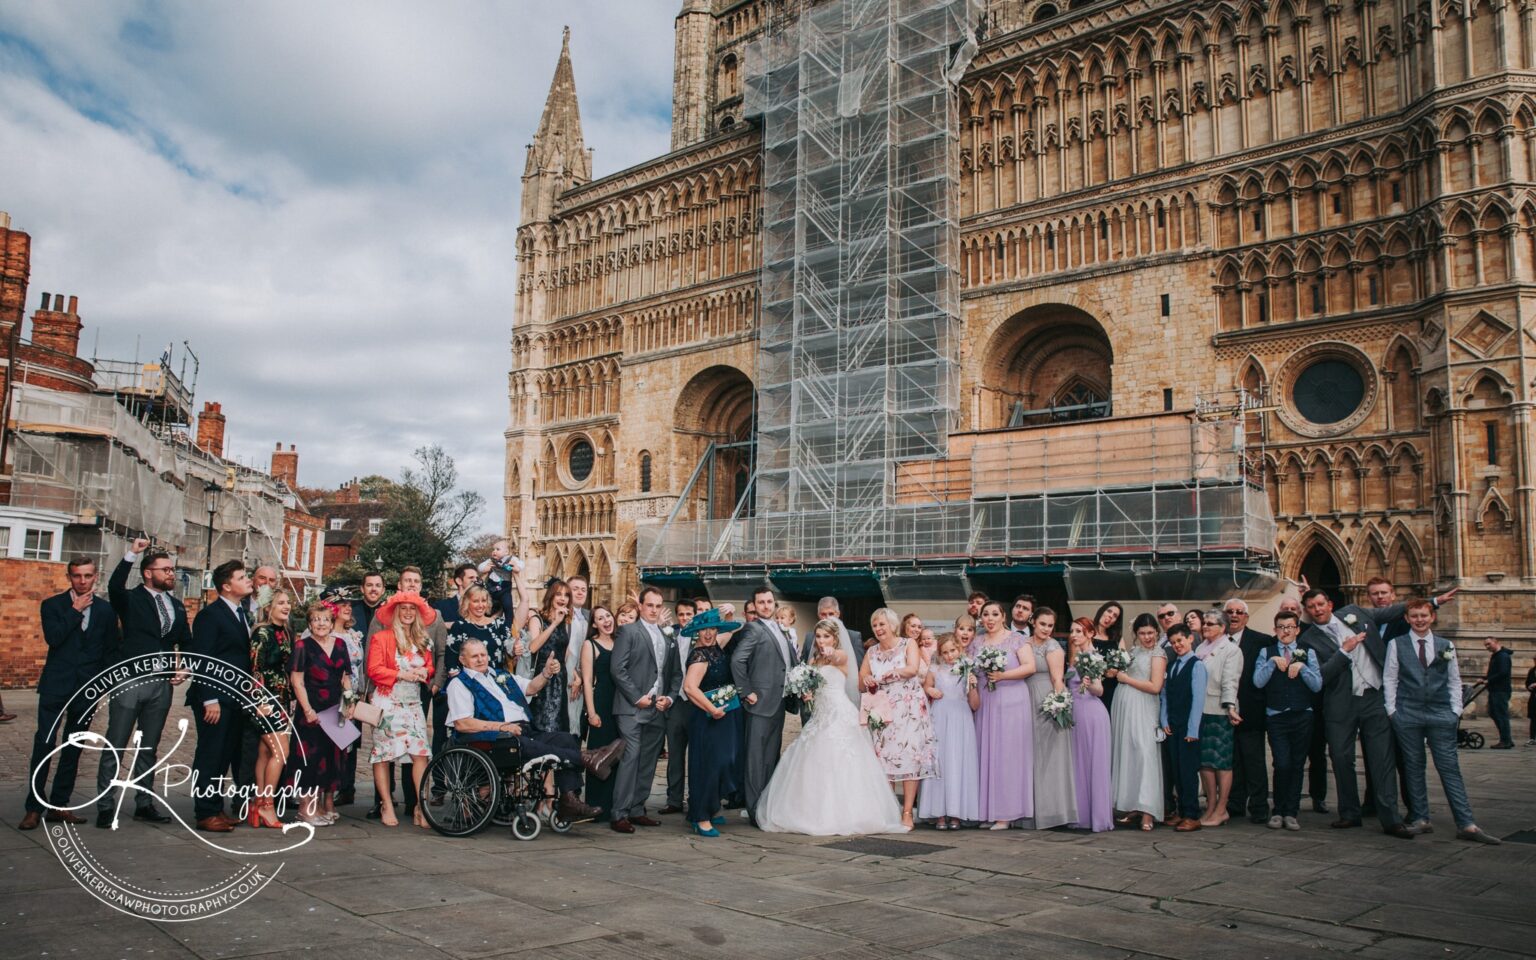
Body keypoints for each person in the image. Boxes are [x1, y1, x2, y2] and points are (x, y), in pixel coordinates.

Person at [758, 618, 907, 835]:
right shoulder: (814, 661)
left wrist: (830, 653)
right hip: (820, 715)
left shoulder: (841, 656)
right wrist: (806, 691)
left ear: (835, 637)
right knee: (813, 762)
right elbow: (811, 684)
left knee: (841, 761)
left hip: (839, 714)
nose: (821, 641)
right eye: (818, 636)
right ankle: (810, 812)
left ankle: (849, 815)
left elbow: (835, 656)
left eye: (826, 636)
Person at [445, 639, 609, 823]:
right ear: (462, 659)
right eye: (474, 656)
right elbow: (462, 723)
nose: (481, 659)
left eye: (483, 654)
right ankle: (586, 758)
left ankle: (569, 802)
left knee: (565, 739)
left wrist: (546, 673)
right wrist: (501, 726)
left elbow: (531, 688)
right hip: (493, 737)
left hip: (523, 729)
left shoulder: (500, 675)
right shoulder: (459, 684)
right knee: (524, 744)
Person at [1385, 600, 1500, 844]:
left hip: (1440, 714)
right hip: (1408, 714)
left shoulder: (1445, 645)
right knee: (1413, 767)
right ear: (1407, 618)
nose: (1419, 620)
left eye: (1423, 615)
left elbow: (1454, 680)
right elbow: (1391, 679)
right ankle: (1420, 818)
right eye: (1414, 616)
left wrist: (1455, 711)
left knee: (1449, 768)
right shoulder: (1397, 644)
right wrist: (1393, 712)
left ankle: (1466, 824)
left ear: (1432, 617)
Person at [1298, 588, 1410, 837]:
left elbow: (1389, 612)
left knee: (1382, 759)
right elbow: (1320, 678)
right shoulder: (1307, 641)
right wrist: (1343, 651)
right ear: (1307, 611)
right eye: (1311, 607)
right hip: (1340, 704)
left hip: (1374, 696)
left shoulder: (1354, 613)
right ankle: (1349, 813)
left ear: (1330, 603)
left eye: (1320, 604)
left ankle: (1391, 818)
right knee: (1340, 757)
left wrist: (1432, 600)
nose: (1317, 610)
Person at [97, 539, 189, 828]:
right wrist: (132, 554)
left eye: (172, 570)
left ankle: (143, 803)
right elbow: (114, 587)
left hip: (162, 684)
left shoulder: (175, 605)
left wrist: (184, 667)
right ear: (148, 573)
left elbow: (185, 641)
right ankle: (105, 804)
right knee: (117, 743)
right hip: (130, 680)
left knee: (149, 746)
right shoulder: (131, 599)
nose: (171, 574)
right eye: (165, 570)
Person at [23, 557, 117, 830]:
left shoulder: (105, 611)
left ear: (95, 576)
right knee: (44, 744)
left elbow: (109, 651)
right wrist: (75, 610)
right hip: (56, 685)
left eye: (87, 576)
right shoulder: (52, 605)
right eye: (77, 576)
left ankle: (59, 805)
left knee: (73, 748)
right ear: (69, 577)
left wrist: (102, 684)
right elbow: (54, 638)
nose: (82, 581)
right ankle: (33, 807)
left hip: (87, 689)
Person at [187, 559, 256, 833]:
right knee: (210, 754)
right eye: (242, 577)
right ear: (227, 586)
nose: (248, 580)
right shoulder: (210, 615)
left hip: (234, 697)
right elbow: (201, 659)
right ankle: (204, 812)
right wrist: (209, 699)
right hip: (215, 698)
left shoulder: (239, 612)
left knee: (225, 755)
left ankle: (216, 807)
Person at [609, 586, 682, 833]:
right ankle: (619, 813)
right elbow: (618, 669)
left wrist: (670, 699)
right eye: (649, 605)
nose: (653, 610)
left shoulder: (668, 637)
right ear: (640, 606)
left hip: (658, 709)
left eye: (658, 605)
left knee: (649, 762)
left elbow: (675, 675)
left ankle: (638, 809)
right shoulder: (628, 631)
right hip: (631, 708)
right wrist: (636, 697)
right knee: (631, 758)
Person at [860, 608, 938, 830]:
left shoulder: (907, 644)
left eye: (882, 624)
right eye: (875, 625)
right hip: (883, 710)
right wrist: (867, 678)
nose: (878, 628)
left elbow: (913, 669)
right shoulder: (871, 651)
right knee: (885, 759)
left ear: (893, 625)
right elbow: (860, 682)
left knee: (909, 757)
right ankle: (888, 810)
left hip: (908, 706)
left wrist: (890, 674)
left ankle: (907, 813)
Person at [729, 586, 799, 826]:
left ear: (774, 604)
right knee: (755, 759)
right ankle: (754, 810)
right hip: (759, 704)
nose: (766, 606)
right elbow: (737, 660)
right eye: (761, 602)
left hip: (778, 702)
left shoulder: (780, 628)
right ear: (755, 606)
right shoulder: (753, 629)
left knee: (770, 757)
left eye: (770, 602)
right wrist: (747, 691)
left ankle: (767, 805)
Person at [367, 592, 435, 829]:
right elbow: (373, 669)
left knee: (420, 754)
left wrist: (426, 672)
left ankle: (420, 805)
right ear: (395, 612)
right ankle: (386, 803)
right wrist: (400, 674)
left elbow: (429, 664)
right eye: (403, 608)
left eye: (412, 609)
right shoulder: (381, 637)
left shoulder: (422, 639)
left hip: (413, 704)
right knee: (384, 755)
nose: (407, 612)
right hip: (388, 703)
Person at [678, 607, 746, 836]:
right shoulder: (699, 655)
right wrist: (712, 709)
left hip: (724, 715)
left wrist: (728, 614)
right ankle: (702, 816)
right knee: (710, 764)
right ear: (697, 632)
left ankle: (712, 805)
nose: (708, 634)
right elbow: (689, 688)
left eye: (712, 629)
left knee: (726, 761)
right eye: (704, 629)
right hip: (707, 717)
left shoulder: (716, 644)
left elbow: (734, 629)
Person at [284, 602, 353, 826]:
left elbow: (345, 677)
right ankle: (305, 809)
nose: (321, 623)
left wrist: (350, 703)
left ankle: (323, 805)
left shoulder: (341, 644)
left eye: (325, 619)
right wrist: (307, 709)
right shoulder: (303, 646)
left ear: (332, 622)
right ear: (310, 623)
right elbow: (297, 681)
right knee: (309, 761)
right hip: (312, 712)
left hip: (335, 710)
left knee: (331, 759)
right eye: (316, 620)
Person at [1253, 610, 1322, 831]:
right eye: (1281, 627)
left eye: (1290, 627)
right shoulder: (1267, 652)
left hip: (1303, 714)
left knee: (1297, 764)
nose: (1286, 631)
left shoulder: (1307, 652)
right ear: (1275, 630)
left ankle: (1291, 811)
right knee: (1281, 763)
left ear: (1297, 630)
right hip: (1276, 715)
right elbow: (1257, 682)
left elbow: (1317, 685)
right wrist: (1272, 663)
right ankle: (1278, 810)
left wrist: (1302, 668)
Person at [974, 600, 1035, 829]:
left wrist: (1003, 676)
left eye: (994, 614)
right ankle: (989, 811)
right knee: (986, 753)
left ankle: (1007, 814)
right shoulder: (977, 641)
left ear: (1003, 616)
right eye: (985, 615)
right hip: (986, 701)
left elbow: (1029, 667)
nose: (989, 618)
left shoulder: (1016, 639)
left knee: (1007, 756)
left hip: (1011, 701)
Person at [1109, 613, 1167, 831]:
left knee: (1145, 755)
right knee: (1130, 755)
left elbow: (1155, 686)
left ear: (1157, 632)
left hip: (1144, 708)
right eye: (1142, 633)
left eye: (1151, 633)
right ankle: (1133, 804)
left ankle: (1148, 811)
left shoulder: (1158, 655)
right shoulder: (1132, 652)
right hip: (1126, 708)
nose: (1147, 637)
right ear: (1136, 634)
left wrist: (1126, 679)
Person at [918, 633, 980, 830]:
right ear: (940, 654)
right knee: (941, 761)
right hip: (940, 717)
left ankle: (957, 812)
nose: (949, 655)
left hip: (961, 718)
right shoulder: (935, 669)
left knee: (958, 762)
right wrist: (930, 690)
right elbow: (926, 686)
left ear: (959, 649)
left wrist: (972, 685)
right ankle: (939, 813)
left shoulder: (968, 668)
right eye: (945, 652)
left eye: (952, 650)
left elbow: (975, 705)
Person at [1022, 607, 1076, 829]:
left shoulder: (1053, 647)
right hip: (1026, 698)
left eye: (1050, 625)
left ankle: (1052, 811)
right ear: (1034, 622)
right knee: (1031, 756)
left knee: (1048, 756)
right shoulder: (1024, 644)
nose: (1046, 629)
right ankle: (1031, 810)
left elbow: (1057, 678)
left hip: (1045, 700)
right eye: (1042, 624)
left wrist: (1059, 704)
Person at [248, 589, 296, 828]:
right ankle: (267, 806)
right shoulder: (262, 633)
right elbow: (255, 669)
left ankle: (258, 803)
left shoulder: (285, 632)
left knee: (266, 752)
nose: (286, 607)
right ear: (269, 607)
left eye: (288, 603)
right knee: (280, 752)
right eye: (280, 603)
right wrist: (260, 701)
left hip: (282, 698)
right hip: (266, 700)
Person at [1223, 598, 1274, 824]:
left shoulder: (1262, 641)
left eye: (1239, 612)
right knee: (1232, 761)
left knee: (1254, 761)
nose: (1234, 615)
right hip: (1223, 712)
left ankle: (1259, 806)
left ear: (1246, 616)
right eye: (1230, 612)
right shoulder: (1216, 641)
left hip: (1251, 712)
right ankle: (1235, 804)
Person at [1193, 609, 1243, 827]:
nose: (1205, 627)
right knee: (1204, 763)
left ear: (1222, 627)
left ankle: (1222, 808)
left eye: (1210, 624)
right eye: (1204, 623)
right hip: (1200, 711)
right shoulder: (1200, 648)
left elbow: (1230, 681)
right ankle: (1210, 806)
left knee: (1221, 762)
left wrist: (1230, 707)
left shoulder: (1231, 650)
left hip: (1219, 710)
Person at [1066, 618, 1112, 832]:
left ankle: (1096, 817)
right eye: (1072, 631)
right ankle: (1081, 814)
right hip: (1076, 712)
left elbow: (1100, 690)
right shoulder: (1076, 657)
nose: (1074, 634)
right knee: (1079, 764)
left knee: (1092, 763)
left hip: (1091, 713)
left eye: (1079, 631)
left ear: (1090, 633)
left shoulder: (1092, 657)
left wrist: (1090, 683)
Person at [1160, 624, 1206, 832]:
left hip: (1188, 727)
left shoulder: (1197, 665)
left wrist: (1193, 730)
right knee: (1176, 770)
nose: (1177, 645)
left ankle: (1191, 814)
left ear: (1190, 639)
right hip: (1173, 725)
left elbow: (1198, 699)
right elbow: (1164, 696)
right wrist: (1165, 720)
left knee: (1187, 772)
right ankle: (1180, 811)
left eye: (1180, 640)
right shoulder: (1171, 666)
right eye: (1173, 642)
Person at [580, 606, 621, 818]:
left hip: (621, 703)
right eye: (600, 618)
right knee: (600, 754)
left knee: (618, 755)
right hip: (602, 701)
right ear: (594, 624)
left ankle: (615, 804)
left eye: (608, 615)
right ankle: (597, 805)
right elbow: (587, 680)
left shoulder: (620, 640)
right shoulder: (590, 644)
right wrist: (591, 712)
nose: (606, 620)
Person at [660, 597, 696, 816]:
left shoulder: (702, 637)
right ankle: (674, 799)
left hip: (695, 702)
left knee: (696, 755)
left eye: (688, 614)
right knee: (674, 755)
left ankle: (695, 797)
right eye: (681, 614)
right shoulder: (670, 636)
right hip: (675, 702)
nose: (684, 618)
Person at [525, 580, 574, 735]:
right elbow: (533, 647)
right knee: (544, 723)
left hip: (560, 677)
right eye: (558, 594)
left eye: (566, 595)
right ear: (551, 596)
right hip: (542, 678)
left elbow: (564, 650)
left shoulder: (565, 621)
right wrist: (554, 624)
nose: (562, 598)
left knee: (560, 724)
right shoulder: (537, 618)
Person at [329, 593, 365, 805]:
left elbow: (358, 667)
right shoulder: (326, 632)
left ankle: (343, 787)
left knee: (349, 743)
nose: (348, 608)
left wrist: (359, 691)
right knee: (334, 742)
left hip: (352, 695)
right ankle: (327, 789)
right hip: (333, 694)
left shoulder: (353, 634)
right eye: (342, 604)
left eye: (349, 605)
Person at [563, 575, 592, 734]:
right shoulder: (561, 616)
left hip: (585, 676)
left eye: (583, 590)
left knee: (579, 720)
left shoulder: (590, 616)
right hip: (566, 674)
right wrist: (574, 674)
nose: (580, 593)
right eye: (575, 589)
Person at [476, 539, 525, 623]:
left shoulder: (511, 559)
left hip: (505, 588)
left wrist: (517, 567)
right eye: (493, 549)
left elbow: (521, 564)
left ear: (506, 552)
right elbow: (480, 567)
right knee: (488, 605)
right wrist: (486, 568)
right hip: (491, 586)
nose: (494, 551)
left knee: (508, 605)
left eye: (497, 549)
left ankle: (509, 623)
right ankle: (485, 620)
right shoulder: (491, 560)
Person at [1089, 602, 1123, 712]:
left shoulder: (1117, 639)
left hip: (1111, 689)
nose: (1110, 616)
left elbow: (1124, 665)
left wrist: (1116, 671)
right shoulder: (1087, 634)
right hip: (1090, 687)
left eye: (1115, 616)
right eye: (1109, 611)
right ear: (1102, 610)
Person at [1483, 637, 1514, 749]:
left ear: (1496, 642)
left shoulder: (1503, 656)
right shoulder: (1496, 656)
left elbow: (1503, 672)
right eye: (1485, 645)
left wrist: (1489, 680)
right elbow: (1495, 672)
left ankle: (1506, 740)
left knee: (1501, 715)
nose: (1487, 647)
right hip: (1495, 689)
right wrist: (1484, 678)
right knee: (1494, 712)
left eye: (1489, 644)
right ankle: (1506, 738)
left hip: (1501, 690)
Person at [814, 597, 863, 664]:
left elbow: (858, 665)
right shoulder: (809, 638)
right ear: (818, 615)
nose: (828, 618)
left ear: (838, 614)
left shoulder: (854, 637)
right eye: (823, 614)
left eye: (831, 614)